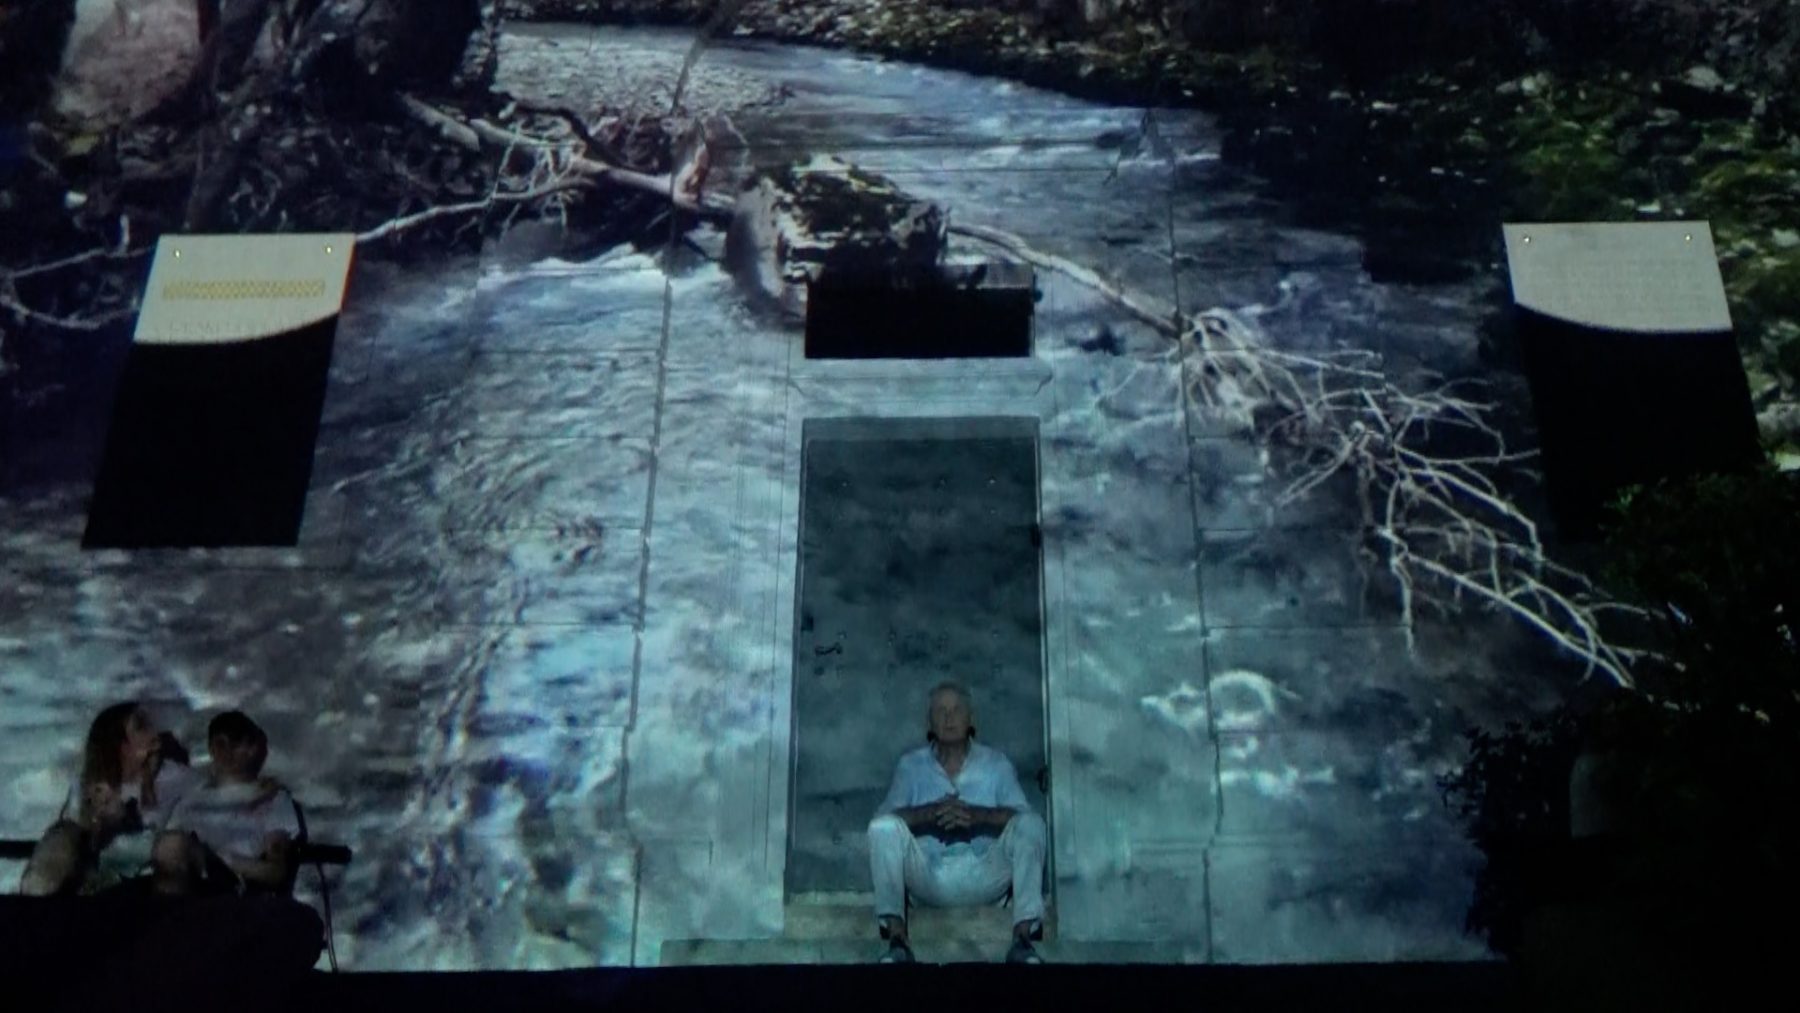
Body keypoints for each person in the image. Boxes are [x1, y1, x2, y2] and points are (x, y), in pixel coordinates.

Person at [867, 680, 1047, 964]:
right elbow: (883, 819)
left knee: (1032, 825)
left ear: (971, 719)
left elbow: (1022, 816)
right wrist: (928, 814)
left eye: (956, 710)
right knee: (882, 828)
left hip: (984, 875)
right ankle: (898, 941)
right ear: (929, 723)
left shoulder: (996, 764)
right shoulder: (910, 765)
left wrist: (979, 816)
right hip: (928, 877)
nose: (949, 718)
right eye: (940, 711)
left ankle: (1023, 940)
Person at [19, 702, 204, 896]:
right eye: (142, 727)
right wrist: (99, 823)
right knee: (61, 838)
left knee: (172, 847)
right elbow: (71, 847)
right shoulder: (88, 787)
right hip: (97, 886)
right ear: (120, 745)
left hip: (156, 889)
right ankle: (31, 908)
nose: (155, 737)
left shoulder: (180, 781)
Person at [158, 710, 302, 897]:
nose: (226, 752)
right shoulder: (190, 800)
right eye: (220, 744)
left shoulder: (274, 799)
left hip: (234, 892)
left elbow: (275, 872)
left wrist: (223, 860)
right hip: (183, 888)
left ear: (252, 749)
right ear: (211, 748)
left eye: (235, 743)